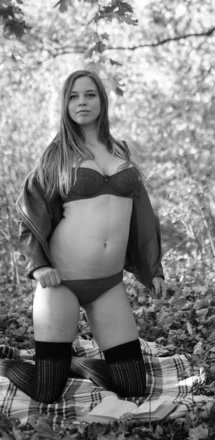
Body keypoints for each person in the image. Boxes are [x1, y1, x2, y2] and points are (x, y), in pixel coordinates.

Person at [2, 69, 165, 404]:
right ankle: (7, 363)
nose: (82, 102)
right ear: (65, 105)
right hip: (60, 283)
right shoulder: (57, 155)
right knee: (47, 392)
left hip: (108, 284)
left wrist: (154, 269)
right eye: (74, 96)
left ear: (101, 101)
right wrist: (38, 266)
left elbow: (143, 218)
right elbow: (30, 214)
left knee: (133, 387)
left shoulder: (121, 151)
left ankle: (76, 363)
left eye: (90, 94)